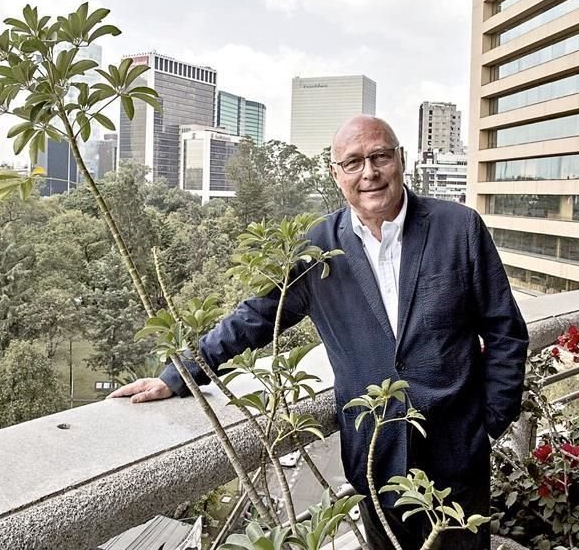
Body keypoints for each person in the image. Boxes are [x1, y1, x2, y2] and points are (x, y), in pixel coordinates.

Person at [111, 115, 529, 549]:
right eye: (353, 163)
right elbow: (256, 316)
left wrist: (490, 422)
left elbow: (506, 332)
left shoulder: (458, 227)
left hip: (458, 458)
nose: (369, 173)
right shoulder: (318, 247)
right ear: (336, 174)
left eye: (380, 157)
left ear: (401, 160)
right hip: (375, 459)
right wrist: (176, 375)